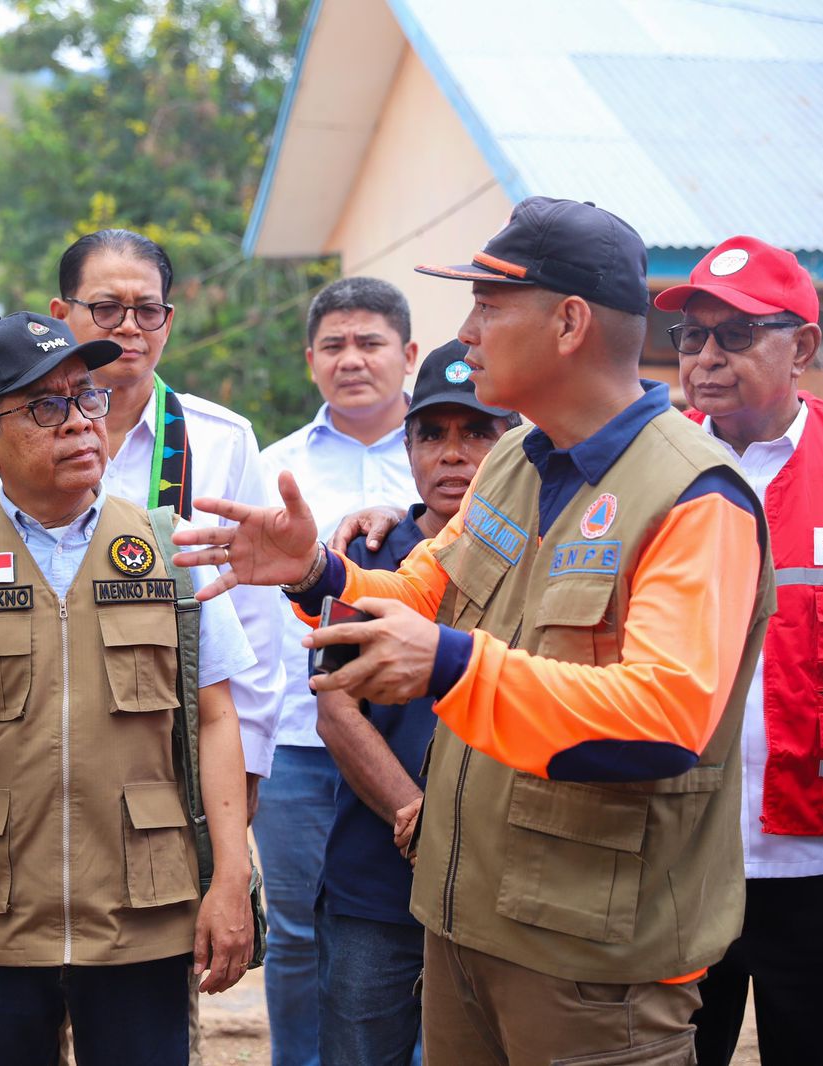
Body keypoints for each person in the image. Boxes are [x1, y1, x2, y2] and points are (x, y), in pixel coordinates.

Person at [174, 197, 775, 1064]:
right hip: (466, 922)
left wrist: (451, 667)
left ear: (569, 323)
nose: (468, 332)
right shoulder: (516, 463)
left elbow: (665, 716)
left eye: (490, 306)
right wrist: (318, 573)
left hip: (591, 959)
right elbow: (424, 592)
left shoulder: (693, 497)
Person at [0, 311, 256, 1065]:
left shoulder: (168, 548)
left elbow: (217, 719)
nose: (81, 423)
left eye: (87, 397)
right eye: (46, 407)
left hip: (143, 914)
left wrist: (232, 881)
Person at [654, 236, 823, 1066]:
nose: (706, 358)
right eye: (691, 336)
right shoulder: (645, 469)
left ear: (804, 348)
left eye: (736, 336)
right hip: (672, 857)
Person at [0, 230, 282, 794]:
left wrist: (247, 764)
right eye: (107, 309)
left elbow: (253, 611)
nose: (129, 327)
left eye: (148, 310)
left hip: (179, 740)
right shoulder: (9, 440)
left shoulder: (223, 441)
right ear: (61, 314)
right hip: (34, 740)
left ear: (168, 320)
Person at [313, 340, 516, 1066]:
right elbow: (336, 707)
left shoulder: (536, 559)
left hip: (502, 878)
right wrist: (415, 815)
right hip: (378, 879)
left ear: (513, 442)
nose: (452, 455)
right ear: (408, 445)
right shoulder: (370, 556)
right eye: (433, 434)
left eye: (476, 432)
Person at [255, 277, 419, 1066]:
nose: (352, 359)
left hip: (417, 745)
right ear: (310, 359)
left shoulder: (460, 457)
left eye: (371, 342)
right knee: (293, 934)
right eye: (334, 345)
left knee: (415, 929)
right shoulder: (274, 466)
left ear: (409, 354)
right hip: (295, 740)